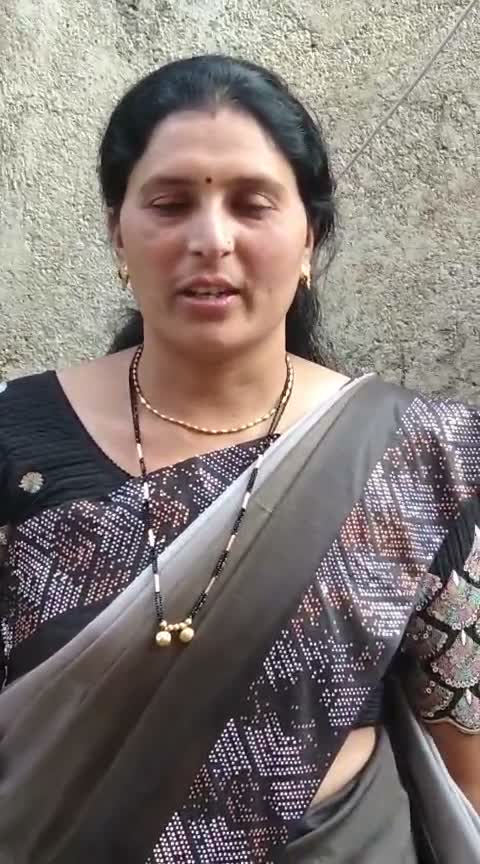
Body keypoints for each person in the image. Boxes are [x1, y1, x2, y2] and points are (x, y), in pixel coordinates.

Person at [0, 54, 478, 864]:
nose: (211, 239)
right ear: (119, 232)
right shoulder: (17, 439)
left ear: (309, 238)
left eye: (253, 204)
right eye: (170, 204)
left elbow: (467, 764)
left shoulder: (419, 453)